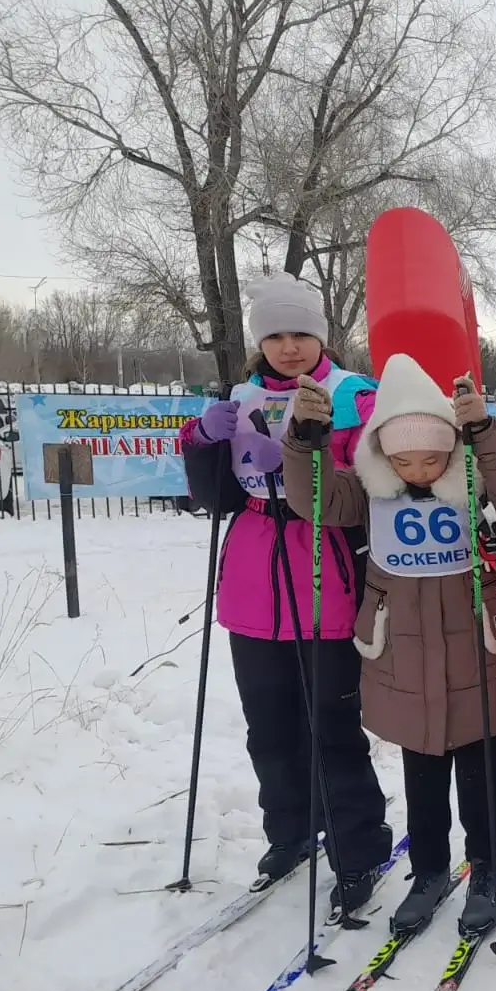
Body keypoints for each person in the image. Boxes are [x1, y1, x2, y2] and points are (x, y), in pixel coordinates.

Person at [281, 355, 496, 935]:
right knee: (422, 773)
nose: (419, 471)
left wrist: (483, 431)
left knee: (483, 770)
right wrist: (304, 439)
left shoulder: (473, 478)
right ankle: (428, 870)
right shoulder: (370, 493)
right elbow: (314, 499)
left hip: (477, 647)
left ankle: (487, 867)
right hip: (403, 650)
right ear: (384, 457)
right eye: (404, 460)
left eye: (431, 458)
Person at [179, 274, 391, 917]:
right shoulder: (240, 396)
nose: (289, 346)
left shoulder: (353, 395)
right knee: (269, 728)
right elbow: (216, 498)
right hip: (252, 579)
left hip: (323, 568)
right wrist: (203, 442)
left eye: (301, 333)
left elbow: (376, 484)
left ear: (321, 336)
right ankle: (292, 830)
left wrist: (323, 452)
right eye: (275, 335)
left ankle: (358, 846)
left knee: (333, 728)